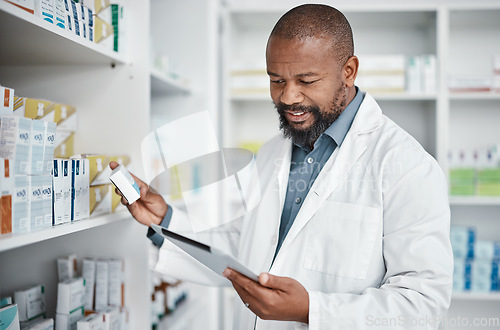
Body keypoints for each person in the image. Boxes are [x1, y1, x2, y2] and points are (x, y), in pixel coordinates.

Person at [111, 4, 453, 329]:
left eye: (306, 81)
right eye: (276, 80)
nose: (288, 97)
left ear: (348, 72)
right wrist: (164, 221)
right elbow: (243, 247)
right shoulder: (272, 152)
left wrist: (311, 310)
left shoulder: (406, 166)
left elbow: (423, 306)